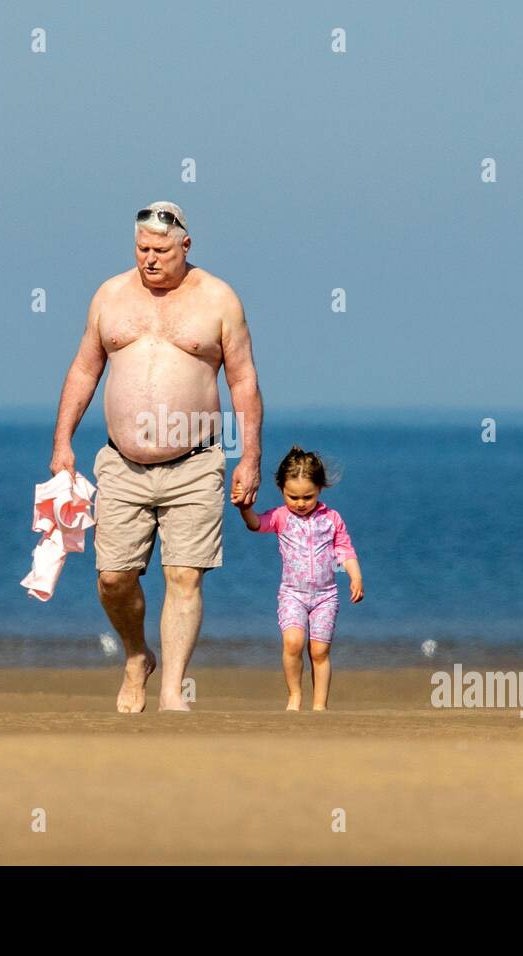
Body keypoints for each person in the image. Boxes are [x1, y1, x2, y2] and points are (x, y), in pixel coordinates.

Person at [49, 201, 263, 712]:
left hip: (195, 461)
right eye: (142, 248)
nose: (150, 259)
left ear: (185, 246)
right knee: (113, 578)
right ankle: (135, 656)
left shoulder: (219, 299)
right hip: (121, 463)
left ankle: (172, 692)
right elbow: (84, 370)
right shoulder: (110, 295)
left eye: (162, 250)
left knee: (184, 574)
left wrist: (249, 456)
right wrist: (62, 443)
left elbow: (243, 381)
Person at [234, 446, 364, 710]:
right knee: (293, 642)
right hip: (293, 594)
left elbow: (345, 549)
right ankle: (294, 696)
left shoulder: (331, 518)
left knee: (319, 651)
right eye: (293, 496)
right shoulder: (281, 517)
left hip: (325, 596)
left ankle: (320, 706)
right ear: (281, 489)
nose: (301, 503)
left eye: (308, 496)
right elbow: (256, 524)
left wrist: (355, 576)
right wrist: (244, 508)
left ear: (320, 490)